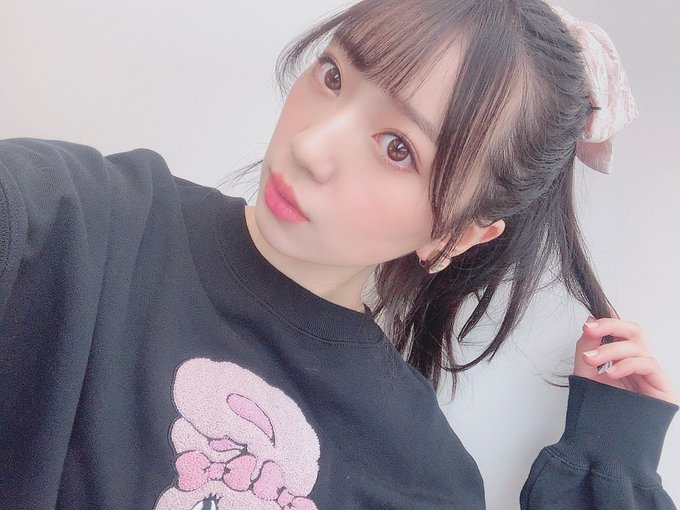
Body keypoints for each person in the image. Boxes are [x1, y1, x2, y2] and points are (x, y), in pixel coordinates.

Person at [0, 0, 676, 508]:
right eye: (333, 75)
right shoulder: (83, 219)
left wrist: (611, 457)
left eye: (398, 148)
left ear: (457, 234)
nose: (311, 147)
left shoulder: (421, 476)